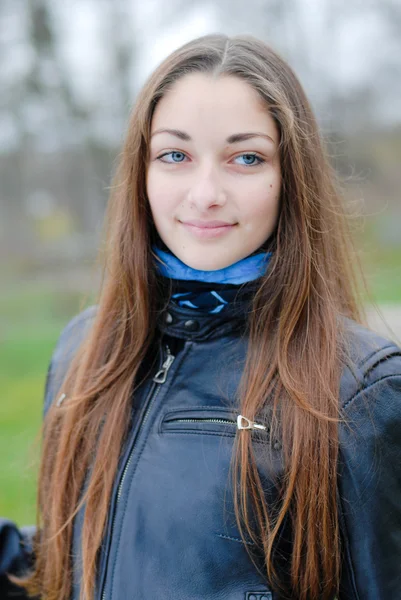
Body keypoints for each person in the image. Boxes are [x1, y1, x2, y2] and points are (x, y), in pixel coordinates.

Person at [1, 33, 400, 600]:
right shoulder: (84, 347)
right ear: (142, 171)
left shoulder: (361, 390)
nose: (205, 192)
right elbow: (95, 555)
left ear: (290, 177)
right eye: (175, 155)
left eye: (245, 157)